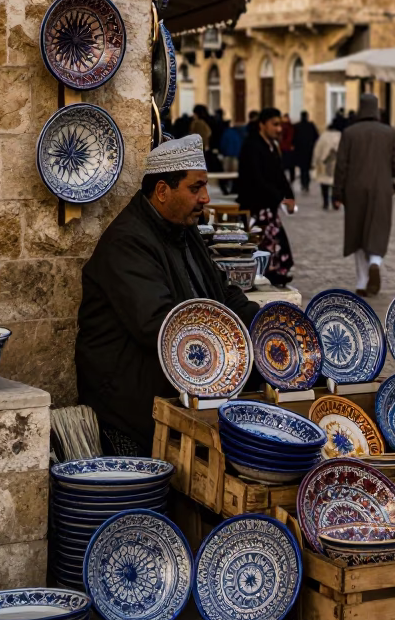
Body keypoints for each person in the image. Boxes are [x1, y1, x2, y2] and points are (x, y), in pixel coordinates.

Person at [75, 135, 260, 455]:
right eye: (195, 188)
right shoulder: (127, 243)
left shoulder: (183, 229)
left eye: (205, 187)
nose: (205, 198)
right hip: (129, 405)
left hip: (173, 387)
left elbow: (222, 292)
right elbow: (159, 326)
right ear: (162, 191)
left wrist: (263, 324)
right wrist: (232, 347)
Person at [333, 93, 395, 296]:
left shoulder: (349, 132)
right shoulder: (389, 133)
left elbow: (341, 165)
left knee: (358, 231)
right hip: (381, 187)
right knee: (378, 228)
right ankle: (375, 262)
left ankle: (362, 282)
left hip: (354, 189)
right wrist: (394, 179)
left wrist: (337, 192)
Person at [237, 107, 296, 286]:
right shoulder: (252, 146)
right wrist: (279, 197)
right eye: (274, 124)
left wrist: (289, 195)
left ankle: (276, 274)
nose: (279, 129)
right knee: (265, 244)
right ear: (262, 124)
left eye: (280, 125)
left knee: (276, 243)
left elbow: (279, 174)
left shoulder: (271, 147)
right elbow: (256, 178)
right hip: (255, 206)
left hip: (268, 205)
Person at [313, 122, 342, 210]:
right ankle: (335, 202)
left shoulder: (323, 137)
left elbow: (317, 150)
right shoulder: (340, 136)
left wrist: (315, 162)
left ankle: (325, 202)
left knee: (324, 185)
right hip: (336, 165)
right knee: (335, 185)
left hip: (323, 165)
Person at [294, 111, 319, 193]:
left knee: (302, 169)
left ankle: (304, 183)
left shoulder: (297, 126)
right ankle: (306, 183)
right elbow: (316, 137)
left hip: (300, 150)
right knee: (307, 168)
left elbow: (294, 138)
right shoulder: (311, 126)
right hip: (309, 150)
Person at [219, 119, 245, 195]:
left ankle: (225, 188)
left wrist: (223, 152)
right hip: (235, 156)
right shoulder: (237, 134)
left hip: (227, 155)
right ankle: (234, 188)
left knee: (226, 174)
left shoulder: (226, 133)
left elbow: (223, 144)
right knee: (235, 174)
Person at [280, 113, 295, 181]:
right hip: (285, 147)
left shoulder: (289, 126)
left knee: (288, 164)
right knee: (287, 164)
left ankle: (291, 177)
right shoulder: (285, 126)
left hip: (287, 147)